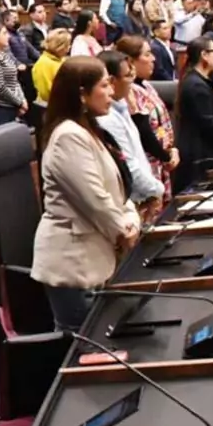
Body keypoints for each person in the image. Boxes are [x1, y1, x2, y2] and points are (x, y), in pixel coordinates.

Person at [31, 57, 140, 330]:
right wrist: (124, 232)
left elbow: (119, 190)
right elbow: (95, 200)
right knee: (83, 346)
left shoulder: (89, 129)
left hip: (95, 257)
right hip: (74, 264)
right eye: (104, 85)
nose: (111, 92)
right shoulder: (67, 136)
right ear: (82, 94)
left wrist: (131, 220)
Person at [97, 52, 164, 217]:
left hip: (140, 199)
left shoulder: (121, 107)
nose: (132, 81)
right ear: (112, 81)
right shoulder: (107, 119)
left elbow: (137, 154)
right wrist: (156, 190)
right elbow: (129, 165)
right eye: (127, 76)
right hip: (133, 204)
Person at [116, 36, 177, 200]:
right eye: (147, 54)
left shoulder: (146, 85)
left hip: (162, 160)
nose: (153, 59)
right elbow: (143, 131)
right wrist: (165, 155)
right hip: (148, 165)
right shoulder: (129, 92)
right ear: (131, 61)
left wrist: (171, 150)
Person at [173, 38, 213, 192]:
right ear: (204, 55)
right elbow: (207, 123)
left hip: (204, 151)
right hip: (198, 156)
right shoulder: (196, 85)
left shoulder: (200, 81)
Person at [33, 28, 72, 110]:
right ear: (60, 46)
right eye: (68, 45)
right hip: (50, 108)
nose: (69, 48)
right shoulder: (43, 63)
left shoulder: (62, 59)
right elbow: (46, 93)